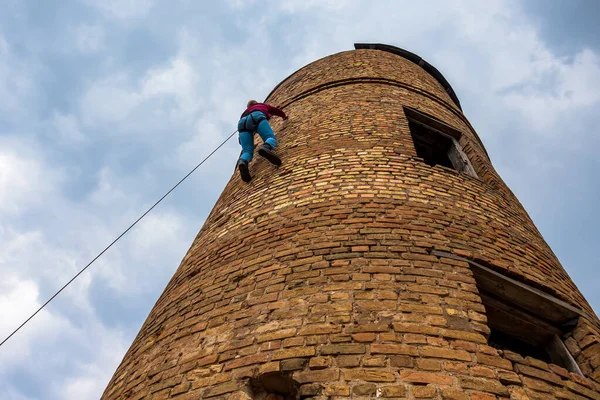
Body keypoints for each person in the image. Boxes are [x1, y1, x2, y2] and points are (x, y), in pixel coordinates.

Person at [236, 100, 288, 182]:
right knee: (270, 138)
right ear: (256, 103)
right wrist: (283, 116)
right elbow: (275, 111)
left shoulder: (244, 112)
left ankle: (242, 162)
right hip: (257, 116)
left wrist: (244, 143)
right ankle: (265, 147)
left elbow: (241, 139)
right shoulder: (262, 105)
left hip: (242, 123)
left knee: (247, 151)